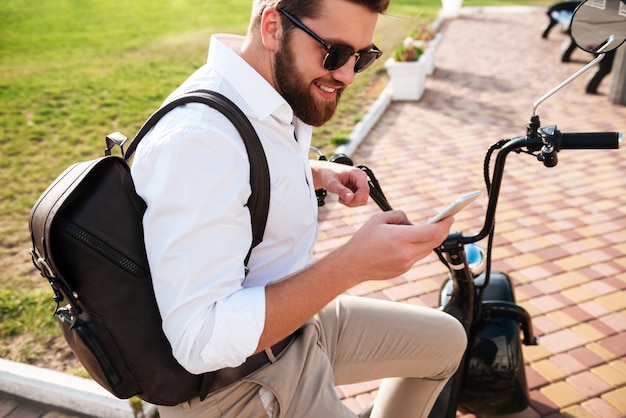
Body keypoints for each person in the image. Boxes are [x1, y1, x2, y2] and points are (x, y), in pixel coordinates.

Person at [131, 0, 467, 417]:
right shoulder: (199, 141)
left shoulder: (259, 94)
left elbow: (243, 169)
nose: (346, 74)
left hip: (293, 323)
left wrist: (313, 172)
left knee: (446, 342)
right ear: (273, 27)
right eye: (335, 54)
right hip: (237, 382)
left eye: (362, 57)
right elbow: (202, 340)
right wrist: (351, 265)